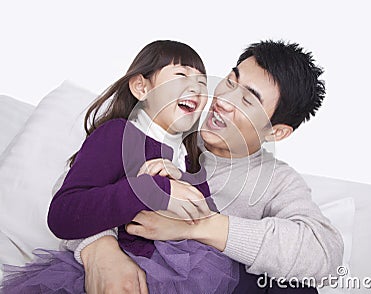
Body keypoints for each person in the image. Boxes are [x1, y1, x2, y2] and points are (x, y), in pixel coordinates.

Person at [78, 40, 344, 293]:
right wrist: (100, 249)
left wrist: (198, 226)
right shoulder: (170, 127)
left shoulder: (277, 180)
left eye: (248, 100)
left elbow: (323, 251)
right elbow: (75, 186)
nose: (224, 100)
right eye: (230, 81)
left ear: (275, 133)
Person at [0, 40, 239, 294]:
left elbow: (207, 220)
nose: (196, 89)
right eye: (181, 76)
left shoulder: (188, 159)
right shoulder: (119, 134)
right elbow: (63, 212)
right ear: (141, 87)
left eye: (202, 84)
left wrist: (181, 178)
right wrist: (147, 188)